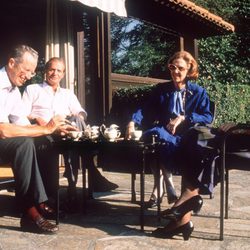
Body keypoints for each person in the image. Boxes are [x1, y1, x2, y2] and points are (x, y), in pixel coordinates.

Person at [22, 57, 118, 207]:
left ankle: (74, 186)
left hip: (67, 132)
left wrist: (74, 118)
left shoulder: (67, 93)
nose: (55, 73)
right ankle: (89, 174)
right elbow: (24, 113)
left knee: (77, 124)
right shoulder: (33, 89)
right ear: (45, 71)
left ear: (63, 74)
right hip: (45, 131)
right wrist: (39, 120)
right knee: (76, 141)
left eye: (59, 70)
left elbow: (81, 113)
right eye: (52, 69)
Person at [0, 45, 75, 233]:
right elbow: (2, 130)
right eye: (26, 70)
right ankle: (30, 209)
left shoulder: (13, 91)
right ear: (11, 63)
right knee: (24, 143)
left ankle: (37, 204)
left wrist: (52, 130)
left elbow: (23, 124)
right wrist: (45, 127)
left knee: (42, 141)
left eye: (32, 73)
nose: (29, 76)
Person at [126, 51, 213, 209]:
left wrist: (183, 118)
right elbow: (146, 109)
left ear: (189, 69)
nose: (176, 72)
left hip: (188, 133)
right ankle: (168, 183)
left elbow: (207, 117)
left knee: (195, 145)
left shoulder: (199, 92)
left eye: (180, 68)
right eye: (172, 67)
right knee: (155, 135)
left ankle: (180, 192)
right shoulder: (161, 90)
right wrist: (132, 122)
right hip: (166, 131)